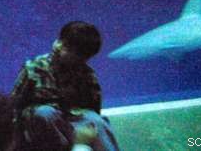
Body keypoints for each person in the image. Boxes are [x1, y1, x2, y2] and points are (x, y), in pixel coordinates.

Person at [11, 21, 120, 151]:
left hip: (71, 119)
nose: (79, 59)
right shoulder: (34, 68)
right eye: (74, 53)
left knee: (96, 120)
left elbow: (94, 107)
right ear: (62, 45)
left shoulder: (87, 73)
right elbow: (15, 104)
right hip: (40, 126)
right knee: (45, 112)